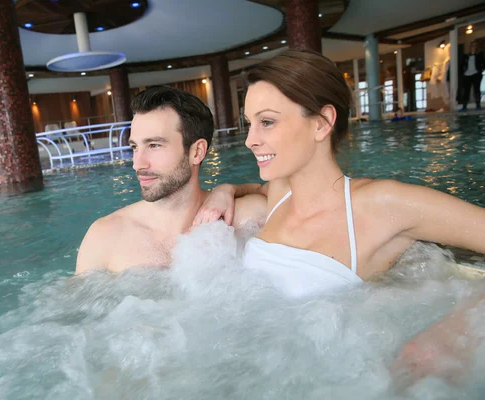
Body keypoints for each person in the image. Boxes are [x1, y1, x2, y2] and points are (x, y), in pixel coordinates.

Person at [194, 49, 485, 385]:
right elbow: (256, 189)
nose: (249, 140)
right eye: (250, 123)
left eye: (267, 122)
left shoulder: (382, 204)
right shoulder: (278, 191)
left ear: (321, 123)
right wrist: (225, 189)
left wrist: (457, 329)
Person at [75, 86, 266, 274]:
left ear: (197, 152)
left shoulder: (246, 218)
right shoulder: (104, 237)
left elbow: (287, 191)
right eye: (134, 147)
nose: (137, 164)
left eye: (154, 145)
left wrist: (228, 189)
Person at [460, 41, 484, 111]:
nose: (473, 47)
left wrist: (482, 69)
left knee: (476, 90)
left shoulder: (479, 55)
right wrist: (463, 72)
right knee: (466, 91)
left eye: (474, 46)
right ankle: (464, 107)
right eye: (472, 45)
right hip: (467, 75)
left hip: (476, 74)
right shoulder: (466, 56)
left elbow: (483, 62)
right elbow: (461, 65)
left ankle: (478, 105)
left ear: (476, 47)